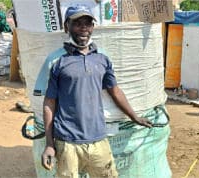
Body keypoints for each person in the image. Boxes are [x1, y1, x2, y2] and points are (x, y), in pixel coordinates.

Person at [41, 5, 152, 178]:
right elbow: (49, 102)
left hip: (98, 139)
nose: (84, 28)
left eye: (88, 23)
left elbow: (115, 91)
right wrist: (49, 144)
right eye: (77, 23)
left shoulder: (102, 58)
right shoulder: (57, 60)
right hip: (67, 141)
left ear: (93, 27)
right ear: (66, 27)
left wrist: (134, 117)